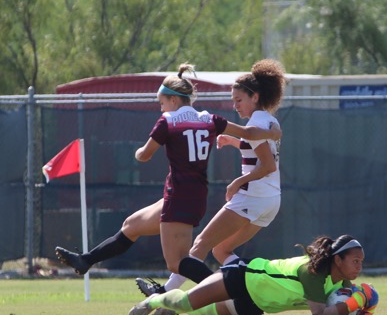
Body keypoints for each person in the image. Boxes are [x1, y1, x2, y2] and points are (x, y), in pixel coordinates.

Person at [55, 63, 282, 288]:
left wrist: (137, 153)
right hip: (191, 193)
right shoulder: (208, 118)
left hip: (184, 195)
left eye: (162, 103)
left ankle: (232, 293)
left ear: (174, 100)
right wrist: (272, 133)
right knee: (132, 225)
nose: (161, 109)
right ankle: (87, 260)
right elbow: (247, 134)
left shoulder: (169, 121)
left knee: (180, 261)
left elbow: (144, 155)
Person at [135, 59, 286, 315]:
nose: (235, 105)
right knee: (221, 250)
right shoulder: (267, 120)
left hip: (253, 196)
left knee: (199, 247)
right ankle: (252, 294)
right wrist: (236, 142)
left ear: (255, 96)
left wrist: (238, 182)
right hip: (270, 200)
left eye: (239, 99)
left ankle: (168, 296)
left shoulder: (258, 120)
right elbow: (260, 147)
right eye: (233, 100)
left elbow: (267, 165)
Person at [127, 234, 379, 315]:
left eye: (361, 262)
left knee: (210, 314)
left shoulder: (340, 285)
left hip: (258, 303)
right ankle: (156, 299)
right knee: (185, 301)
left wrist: (362, 312)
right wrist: (358, 299)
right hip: (245, 276)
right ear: (337, 260)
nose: (360, 267)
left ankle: (169, 310)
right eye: (355, 260)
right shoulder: (313, 272)